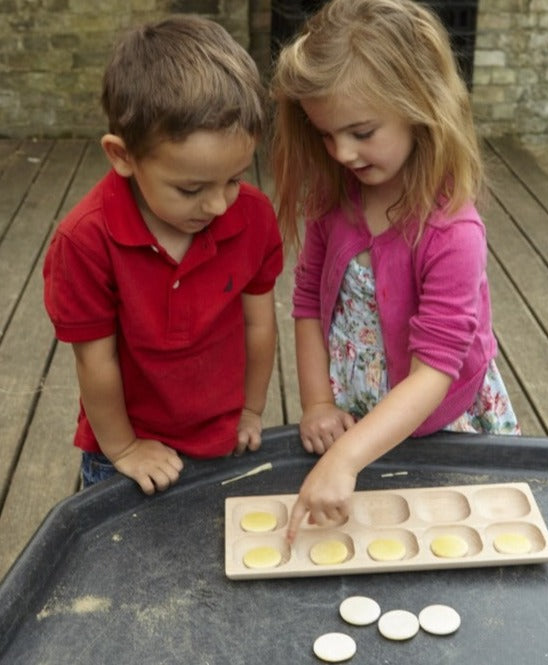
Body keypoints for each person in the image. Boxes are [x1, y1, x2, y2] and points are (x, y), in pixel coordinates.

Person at [271, 0, 520, 540]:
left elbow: (435, 368)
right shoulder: (333, 201)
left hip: (441, 419)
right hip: (356, 412)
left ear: (419, 106)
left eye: (360, 131)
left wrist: (345, 459)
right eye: (325, 134)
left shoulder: (453, 233)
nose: (340, 152)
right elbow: (309, 302)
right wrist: (316, 403)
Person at [43, 16, 283, 494]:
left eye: (235, 178)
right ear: (123, 156)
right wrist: (126, 449)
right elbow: (96, 362)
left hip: (224, 437)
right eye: (191, 188)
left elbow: (259, 324)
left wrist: (252, 408)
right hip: (127, 453)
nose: (218, 205)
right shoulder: (85, 242)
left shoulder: (252, 217)